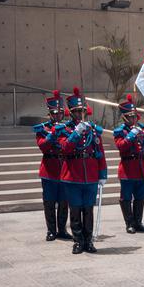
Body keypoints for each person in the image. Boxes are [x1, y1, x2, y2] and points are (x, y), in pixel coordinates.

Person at [57, 87, 107, 254]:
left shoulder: (93, 130)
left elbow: (100, 153)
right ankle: (78, 241)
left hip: (90, 175)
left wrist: (102, 173)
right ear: (71, 113)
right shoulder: (64, 130)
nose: (80, 114)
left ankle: (88, 241)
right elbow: (64, 148)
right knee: (75, 210)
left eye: (83, 111)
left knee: (88, 210)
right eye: (77, 111)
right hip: (73, 175)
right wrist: (76, 133)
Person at [34, 90, 71, 242]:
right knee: (49, 202)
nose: (58, 116)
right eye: (54, 113)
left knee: (63, 201)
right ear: (49, 113)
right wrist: (52, 134)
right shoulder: (43, 129)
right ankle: (51, 230)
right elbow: (42, 146)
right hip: (49, 170)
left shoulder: (67, 128)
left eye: (60, 113)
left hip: (63, 169)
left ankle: (62, 229)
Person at [112, 95, 144, 234]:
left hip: (141, 168)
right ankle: (129, 223)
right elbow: (121, 147)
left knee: (140, 197)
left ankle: (138, 222)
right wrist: (130, 136)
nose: (133, 119)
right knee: (126, 197)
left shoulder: (142, 130)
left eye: (134, 116)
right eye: (130, 116)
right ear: (124, 117)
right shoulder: (120, 132)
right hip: (128, 169)